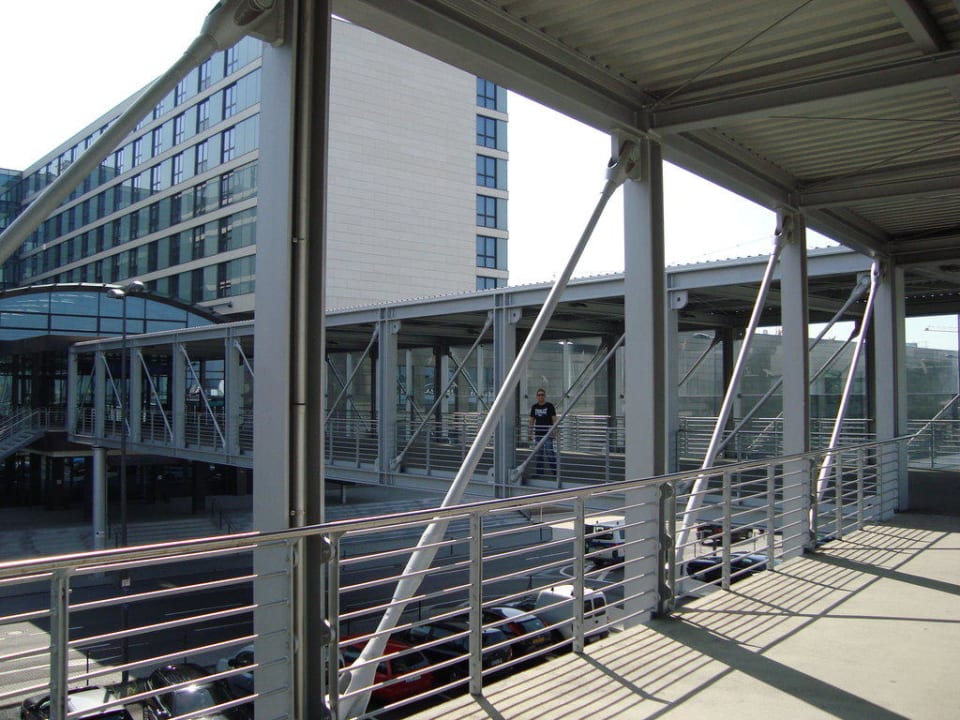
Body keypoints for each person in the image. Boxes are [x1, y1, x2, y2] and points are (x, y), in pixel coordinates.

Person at [528, 388, 557, 476]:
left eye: (542, 395)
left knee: (549, 453)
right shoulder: (534, 407)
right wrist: (530, 432)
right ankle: (539, 473)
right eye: (539, 395)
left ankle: (555, 472)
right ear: (537, 397)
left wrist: (554, 431)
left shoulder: (550, 406)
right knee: (539, 454)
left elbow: (554, 419)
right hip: (538, 433)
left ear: (544, 396)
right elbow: (531, 420)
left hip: (548, 433)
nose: (540, 396)